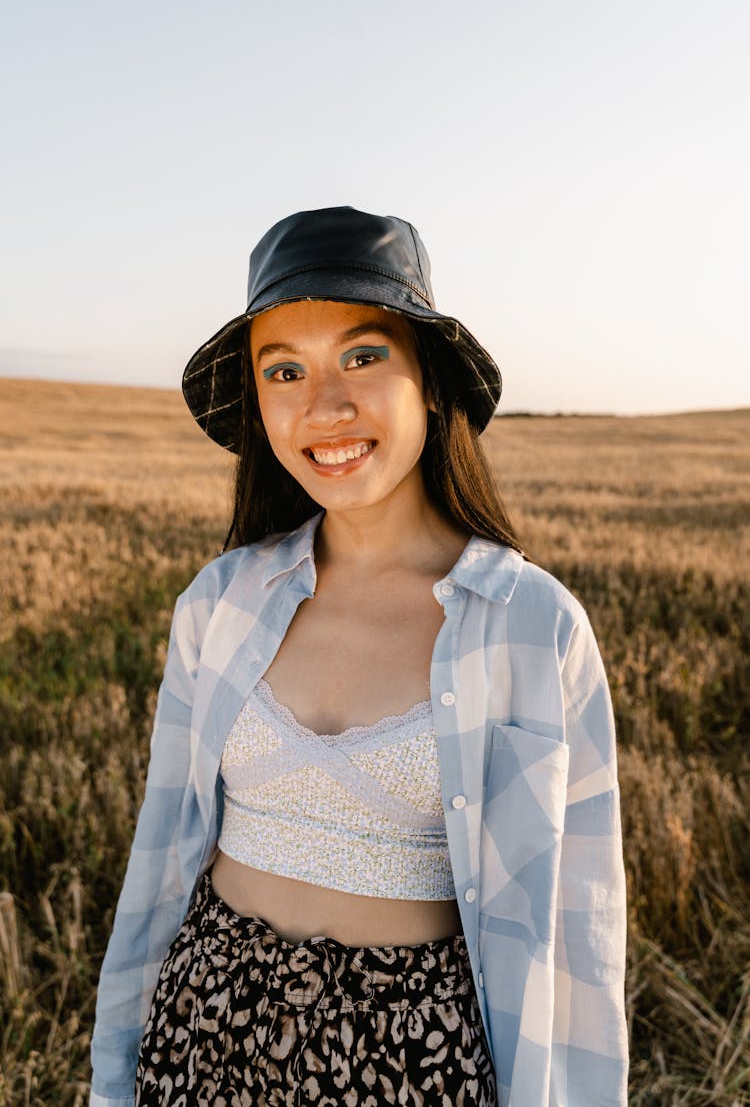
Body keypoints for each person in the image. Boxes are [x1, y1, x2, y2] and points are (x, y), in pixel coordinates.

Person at [89, 206, 628, 1107]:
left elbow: (576, 940)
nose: (324, 404)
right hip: (205, 1033)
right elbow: (161, 860)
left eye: (364, 355)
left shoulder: (533, 627)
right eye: (285, 369)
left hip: (413, 1061)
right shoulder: (218, 604)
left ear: (430, 379)